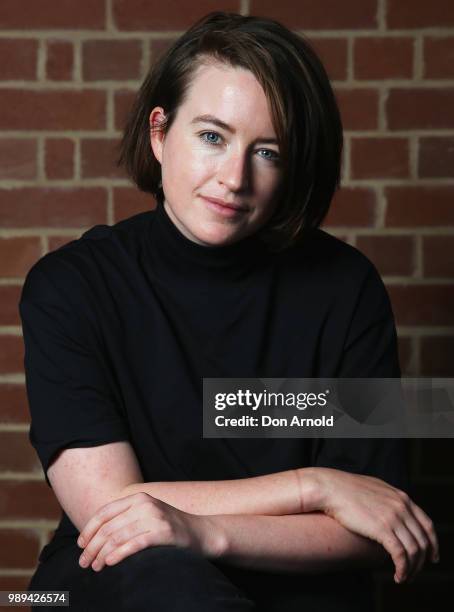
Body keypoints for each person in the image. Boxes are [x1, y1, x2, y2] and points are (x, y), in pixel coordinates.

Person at [19, 10, 438, 612]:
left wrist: (203, 529)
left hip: (298, 582)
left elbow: (379, 524)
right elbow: (115, 514)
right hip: (117, 578)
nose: (234, 178)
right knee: (167, 580)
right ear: (160, 133)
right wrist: (312, 485)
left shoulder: (349, 287)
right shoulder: (69, 286)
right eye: (212, 136)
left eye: (267, 152)